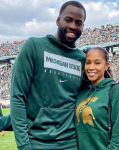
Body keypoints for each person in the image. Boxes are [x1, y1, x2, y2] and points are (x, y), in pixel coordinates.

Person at [10, 1, 86, 150]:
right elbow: (17, 97)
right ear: (58, 20)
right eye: (68, 20)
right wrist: (24, 146)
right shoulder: (34, 46)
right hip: (37, 142)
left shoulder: (83, 60)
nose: (73, 26)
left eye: (79, 23)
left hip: (71, 143)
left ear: (83, 27)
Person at [75, 47, 119, 150]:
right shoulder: (81, 92)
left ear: (106, 66)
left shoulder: (116, 90)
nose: (91, 67)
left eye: (97, 63)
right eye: (88, 63)